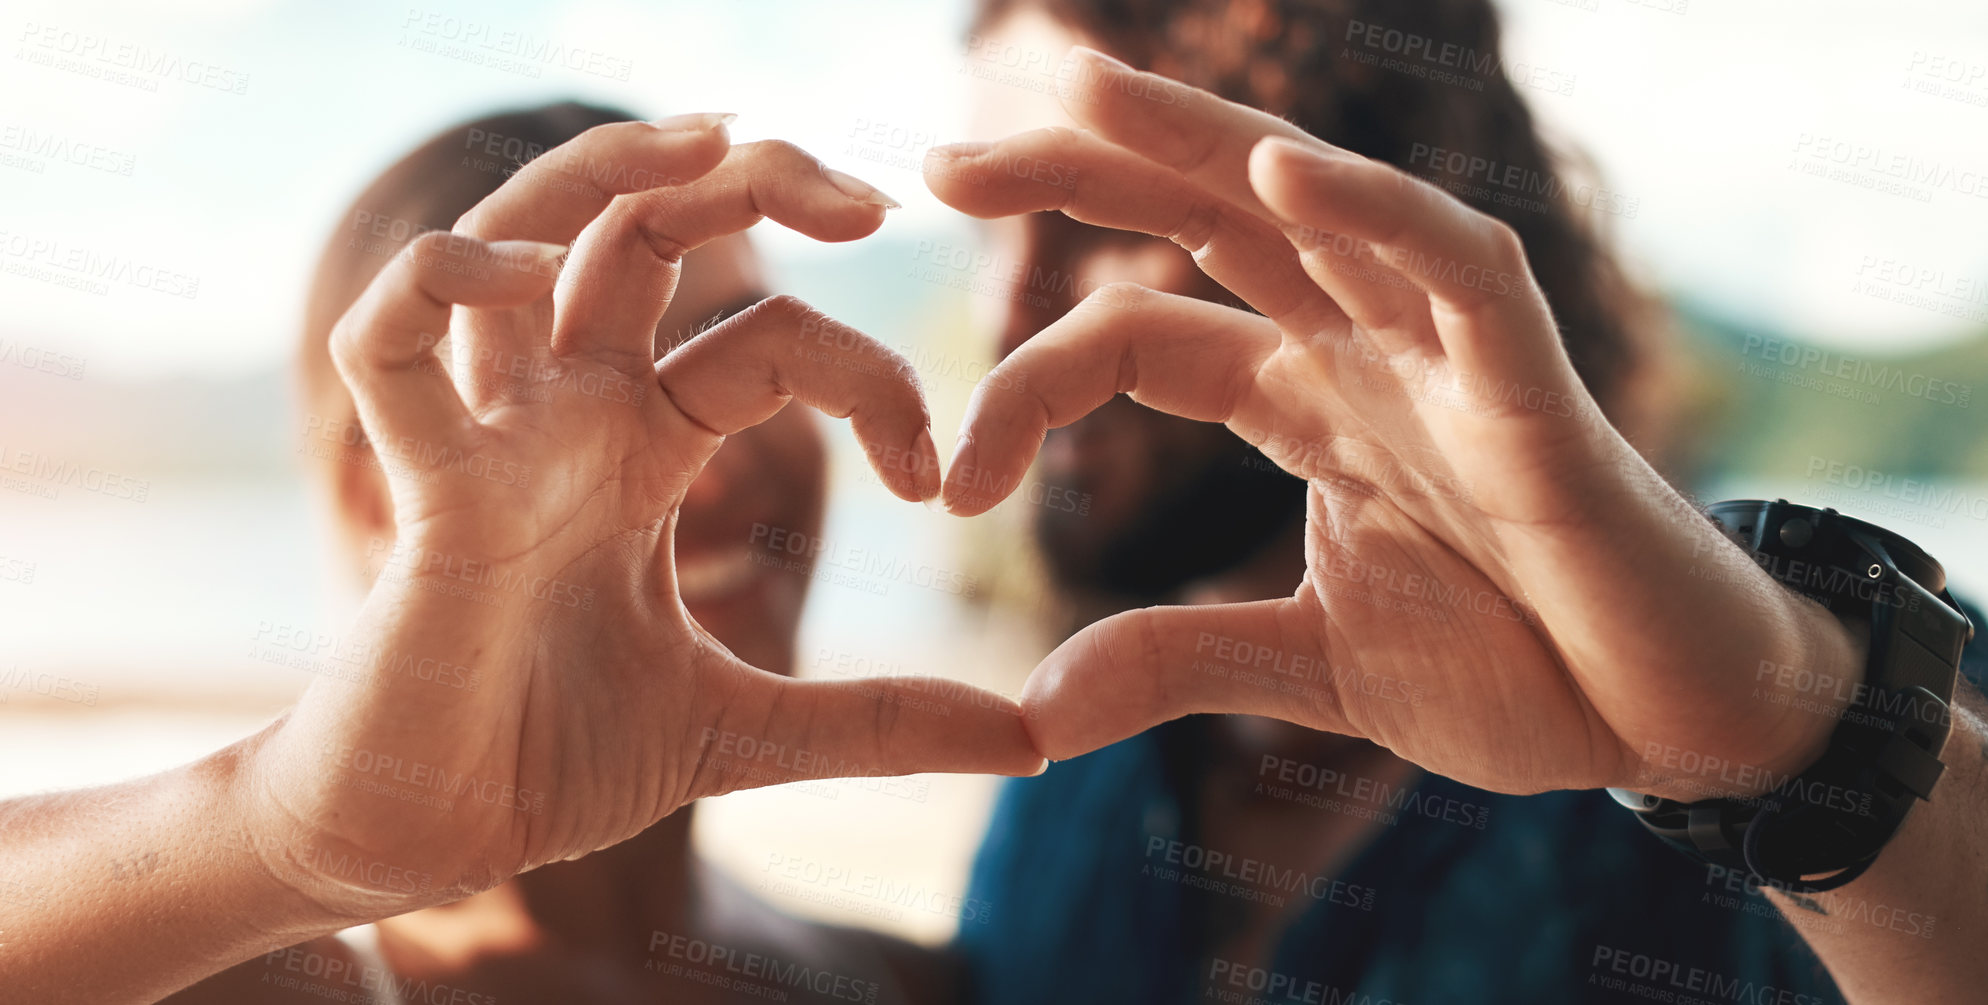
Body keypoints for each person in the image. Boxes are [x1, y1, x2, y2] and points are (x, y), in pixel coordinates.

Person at [1, 106, 1042, 1004]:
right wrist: (280, 839)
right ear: (378, 500)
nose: (707, 472)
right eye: (556, 400)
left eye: (728, 342)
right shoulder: (224, 985)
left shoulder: (904, 982)